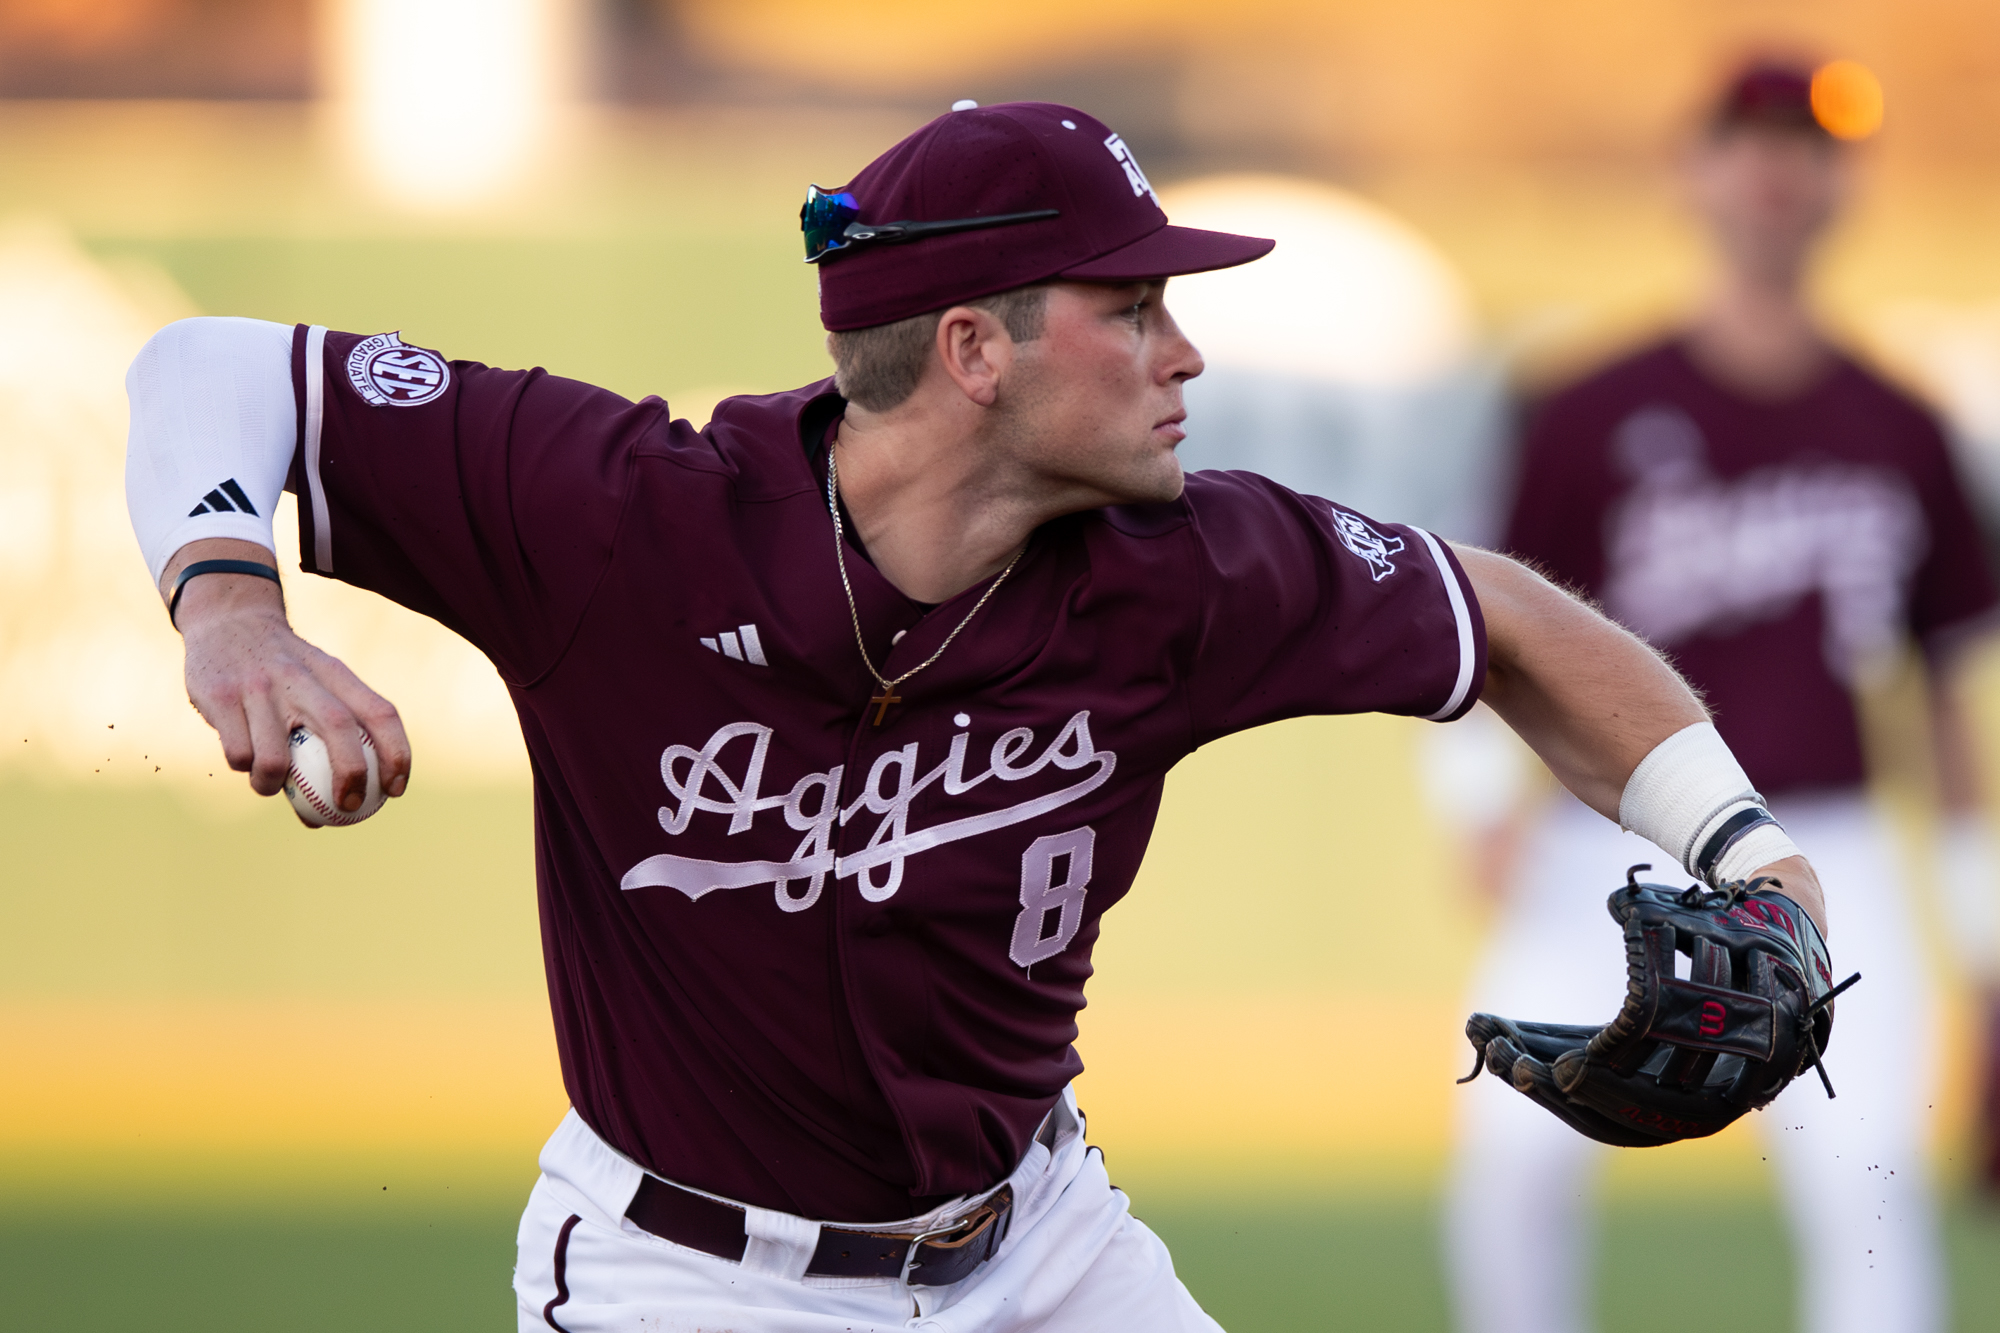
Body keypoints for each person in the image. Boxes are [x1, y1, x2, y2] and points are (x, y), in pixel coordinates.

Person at [125, 101, 1829, 1332]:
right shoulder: (622, 517)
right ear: (974, 349)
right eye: (1135, 307)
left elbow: (1509, 622)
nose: (1186, 355)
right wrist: (229, 600)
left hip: (1044, 1247)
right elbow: (205, 369)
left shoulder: (1190, 565)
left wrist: (1750, 849)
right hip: (693, 1277)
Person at [1445, 62, 2000, 1333]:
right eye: (1746, 141)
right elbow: (1496, 622)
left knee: (1869, 1187)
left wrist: (1975, 935)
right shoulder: (1586, 410)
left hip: (1826, 852)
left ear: (1841, 183)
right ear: (1691, 171)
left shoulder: (1900, 425)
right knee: (1509, 1157)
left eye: (1805, 146)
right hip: (1605, 835)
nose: (1774, 169)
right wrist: (1476, 802)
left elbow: (1946, 694)